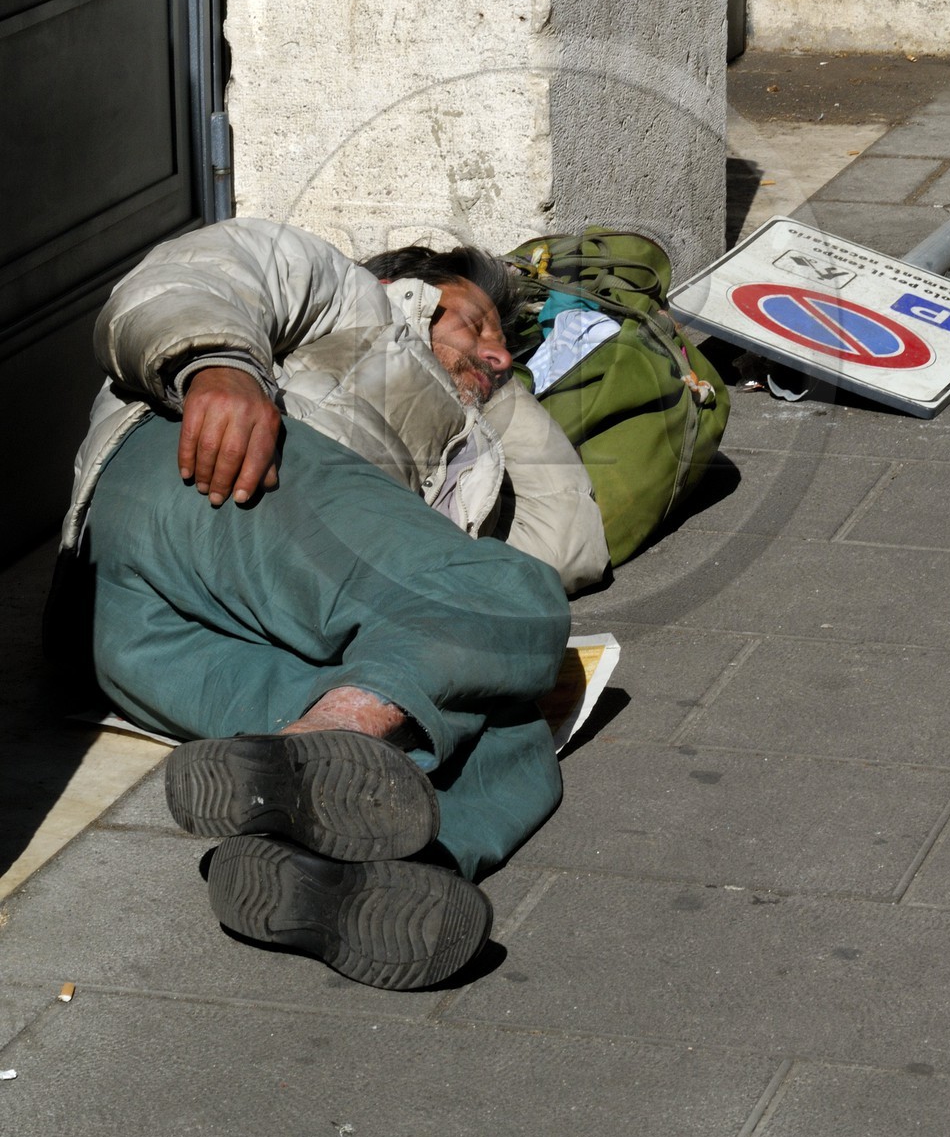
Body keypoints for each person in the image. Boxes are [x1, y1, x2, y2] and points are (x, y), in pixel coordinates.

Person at [56, 217, 609, 990]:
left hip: (126, 640)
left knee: (512, 733)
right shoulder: (349, 297)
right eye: (476, 321)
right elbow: (192, 271)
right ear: (408, 285)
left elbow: (574, 543)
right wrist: (218, 366)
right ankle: (338, 735)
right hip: (204, 481)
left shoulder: (469, 456)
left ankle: (362, 871)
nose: (498, 352)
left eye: (506, 345)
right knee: (512, 599)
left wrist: (495, 389)